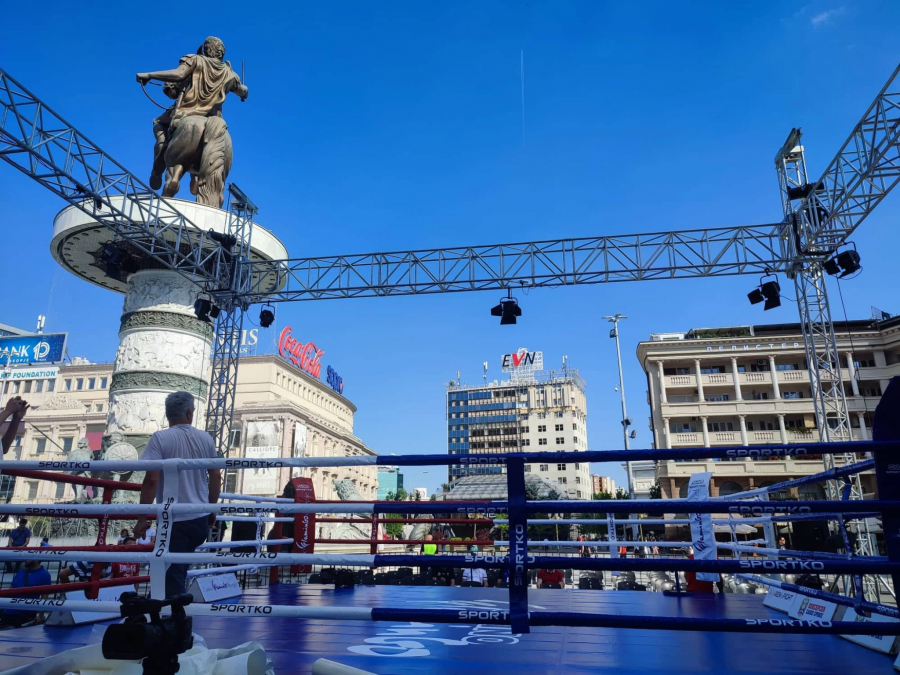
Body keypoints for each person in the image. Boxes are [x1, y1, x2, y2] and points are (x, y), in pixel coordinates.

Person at [134, 391, 221, 598]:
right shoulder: (205, 438)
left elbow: (152, 480)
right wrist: (211, 508)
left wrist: (141, 518)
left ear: (167, 414)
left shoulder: (160, 438)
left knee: (170, 572)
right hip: (199, 516)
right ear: (190, 414)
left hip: (174, 518)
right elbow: (216, 476)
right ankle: (173, 617)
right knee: (176, 570)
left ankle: (174, 620)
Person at [0, 559, 52, 628]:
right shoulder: (20, 572)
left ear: (36, 558)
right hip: (8, 612)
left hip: (25, 615)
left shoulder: (45, 575)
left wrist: (40, 616)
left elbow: (45, 596)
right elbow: (11, 590)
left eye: (28, 557)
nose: (25, 559)